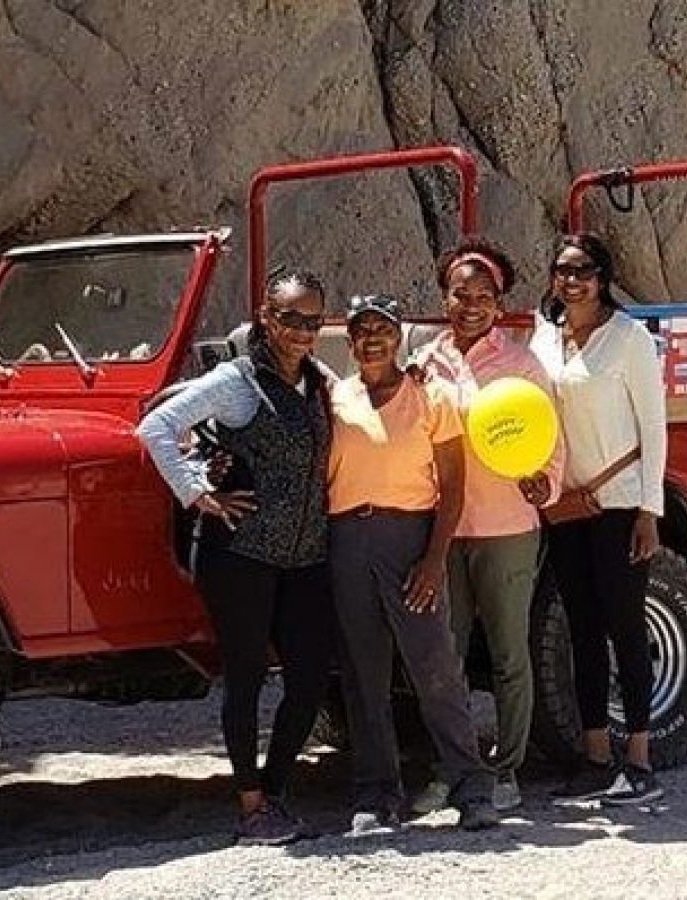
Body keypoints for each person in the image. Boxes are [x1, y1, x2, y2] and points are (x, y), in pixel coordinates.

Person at [136, 269, 335, 844]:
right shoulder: (236, 382)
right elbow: (158, 425)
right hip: (240, 555)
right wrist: (199, 490)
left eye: (312, 321)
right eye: (291, 319)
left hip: (303, 555)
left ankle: (273, 791)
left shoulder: (317, 382)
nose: (302, 331)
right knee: (246, 677)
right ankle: (252, 807)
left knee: (310, 675)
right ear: (266, 318)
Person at [328, 293, 498, 835]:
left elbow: (453, 486)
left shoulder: (432, 395)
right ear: (350, 342)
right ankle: (377, 796)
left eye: (382, 328)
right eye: (361, 330)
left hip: (410, 540)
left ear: (398, 336)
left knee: (435, 669)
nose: (372, 339)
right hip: (348, 539)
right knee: (363, 672)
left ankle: (471, 789)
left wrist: (433, 560)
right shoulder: (335, 399)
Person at [410, 239, 565, 814]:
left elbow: (550, 442)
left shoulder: (523, 364)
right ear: (444, 297)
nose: (471, 304)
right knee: (442, 656)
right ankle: (450, 768)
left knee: (508, 654)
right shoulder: (425, 363)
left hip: (506, 529)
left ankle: (505, 771)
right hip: (442, 532)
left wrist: (543, 484)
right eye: (461, 293)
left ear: (500, 303)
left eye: (484, 295)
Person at [530, 233, 667, 805]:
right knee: (581, 629)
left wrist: (649, 511)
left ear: (603, 276)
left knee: (625, 627)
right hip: (567, 504)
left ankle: (638, 756)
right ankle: (594, 755)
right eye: (563, 270)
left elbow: (654, 426)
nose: (572, 279)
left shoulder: (630, 339)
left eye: (584, 269)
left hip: (617, 503)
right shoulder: (544, 338)